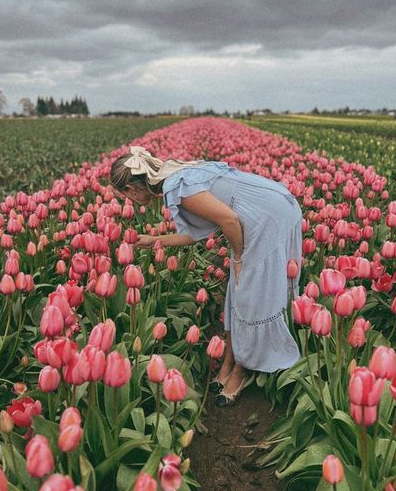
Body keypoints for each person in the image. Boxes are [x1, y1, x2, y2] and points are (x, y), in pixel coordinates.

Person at [109, 146, 303, 406]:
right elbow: (197, 234)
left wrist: (237, 258)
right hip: (265, 210)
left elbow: (230, 220)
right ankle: (231, 361)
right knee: (238, 288)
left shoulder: (177, 186)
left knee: (248, 291)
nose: (129, 201)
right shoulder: (177, 178)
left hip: (268, 218)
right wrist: (155, 240)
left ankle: (242, 371)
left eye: (126, 196)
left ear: (132, 189)